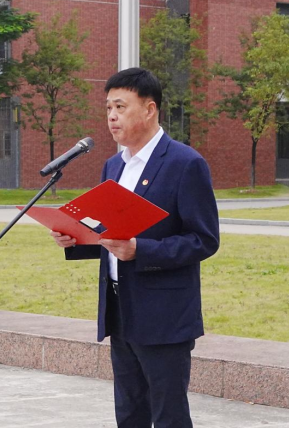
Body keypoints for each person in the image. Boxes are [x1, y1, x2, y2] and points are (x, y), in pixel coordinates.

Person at [51, 68, 220, 428]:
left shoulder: (185, 163)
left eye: (120, 106)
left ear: (149, 109)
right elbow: (108, 234)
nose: (112, 116)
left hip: (164, 315)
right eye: (108, 108)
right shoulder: (113, 166)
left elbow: (204, 239)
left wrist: (141, 251)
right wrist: (75, 239)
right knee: (129, 414)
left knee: (169, 416)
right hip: (120, 309)